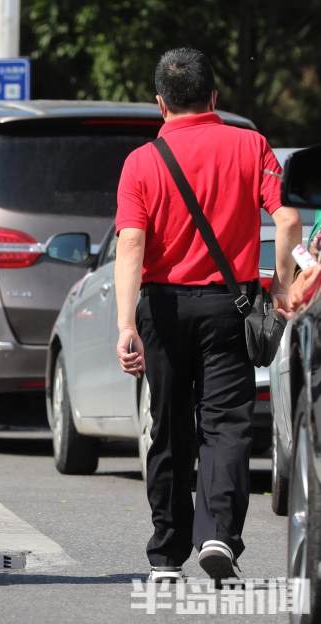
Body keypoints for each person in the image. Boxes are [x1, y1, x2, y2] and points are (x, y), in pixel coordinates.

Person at [113, 48, 303, 583]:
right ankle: (218, 532)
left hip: (162, 308)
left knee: (169, 426)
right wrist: (281, 282)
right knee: (225, 425)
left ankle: (167, 554)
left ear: (160, 104)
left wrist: (127, 324)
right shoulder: (251, 145)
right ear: (214, 97)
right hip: (231, 306)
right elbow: (287, 220)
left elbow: (131, 245)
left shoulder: (142, 162)